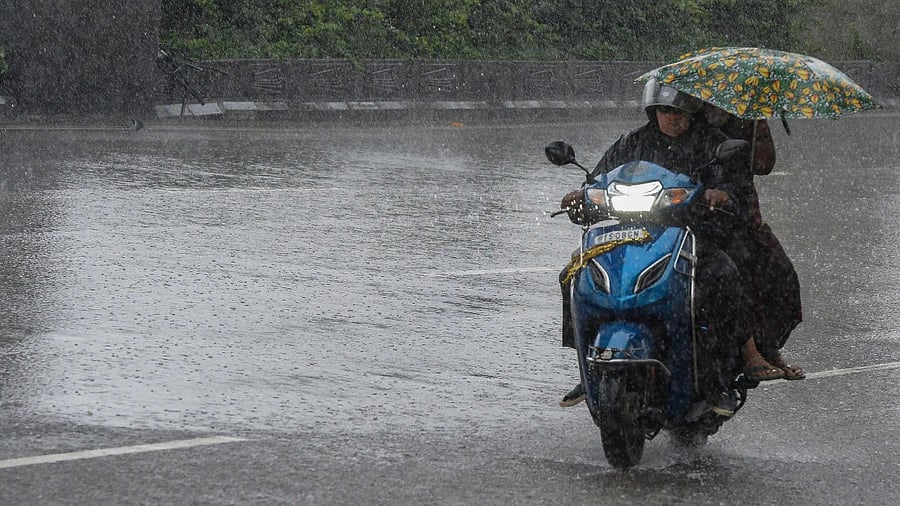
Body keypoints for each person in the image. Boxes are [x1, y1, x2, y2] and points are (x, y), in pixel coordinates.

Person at [557, 78, 764, 417]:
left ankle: (716, 380)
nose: (673, 117)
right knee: (573, 275)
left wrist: (720, 194)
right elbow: (597, 181)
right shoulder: (631, 143)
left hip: (692, 236)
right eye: (666, 110)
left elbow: (735, 187)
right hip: (629, 237)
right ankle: (587, 366)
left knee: (723, 276)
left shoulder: (713, 144)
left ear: (692, 111)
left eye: (680, 111)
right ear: (653, 111)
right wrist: (581, 196)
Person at [702, 105, 805, 381]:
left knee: (782, 278)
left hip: (742, 212)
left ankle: (768, 347)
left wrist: (759, 128)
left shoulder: (746, 119)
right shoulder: (692, 123)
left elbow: (764, 165)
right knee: (734, 275)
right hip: (703, 218)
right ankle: (749, 353)